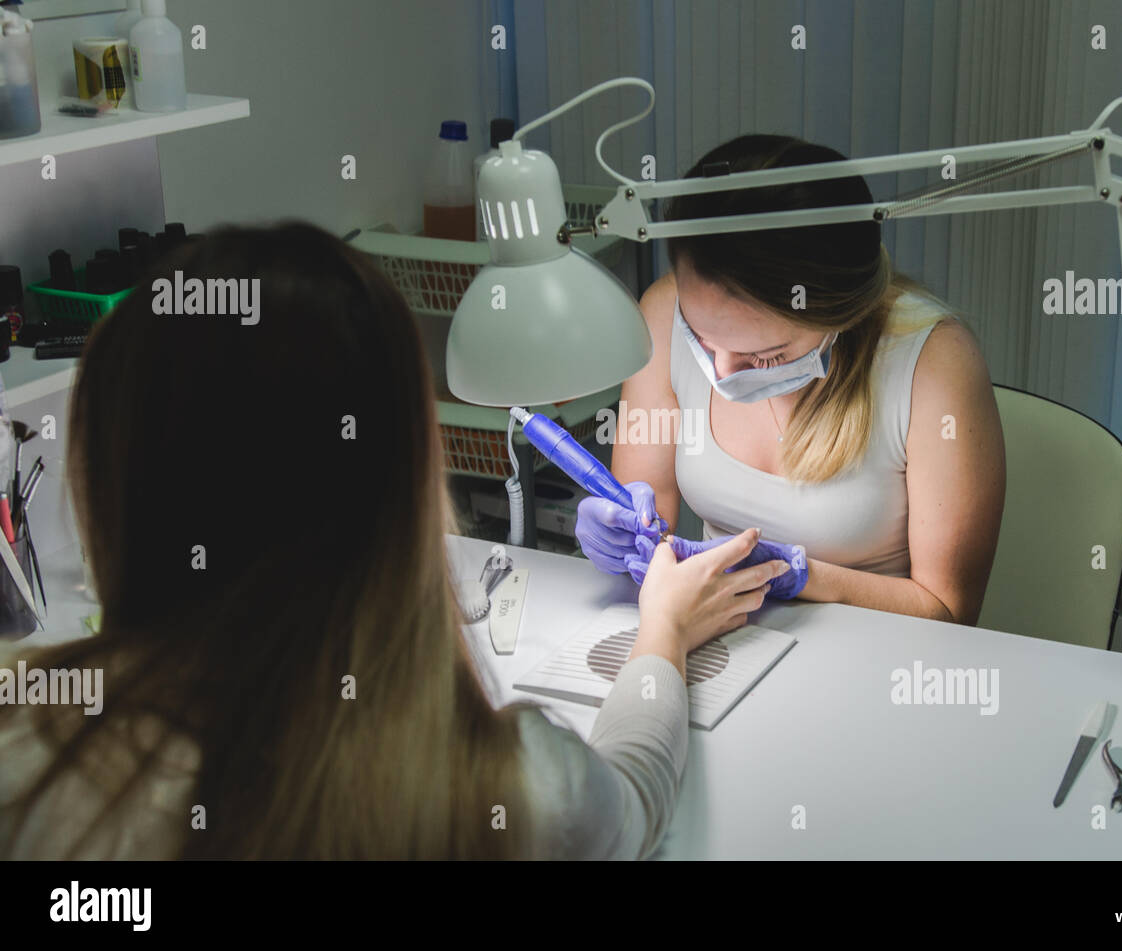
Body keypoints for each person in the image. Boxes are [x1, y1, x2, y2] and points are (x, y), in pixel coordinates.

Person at [0, 223, 790, 860]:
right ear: (406, 476)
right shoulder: (498, 786)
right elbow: (634, 797)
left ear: (110, 476)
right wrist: (664, 631)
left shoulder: (26, 755)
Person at [576, 134, 1006, 625]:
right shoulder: (660, 313)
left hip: (878, 659)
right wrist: (623, 534)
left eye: (764, 354)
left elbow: (949, 610)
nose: (720, 373)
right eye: (701, 338)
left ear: (840, 313)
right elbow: (651, 528)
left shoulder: (933, 363)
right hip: (720, 642)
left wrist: (801, 577)